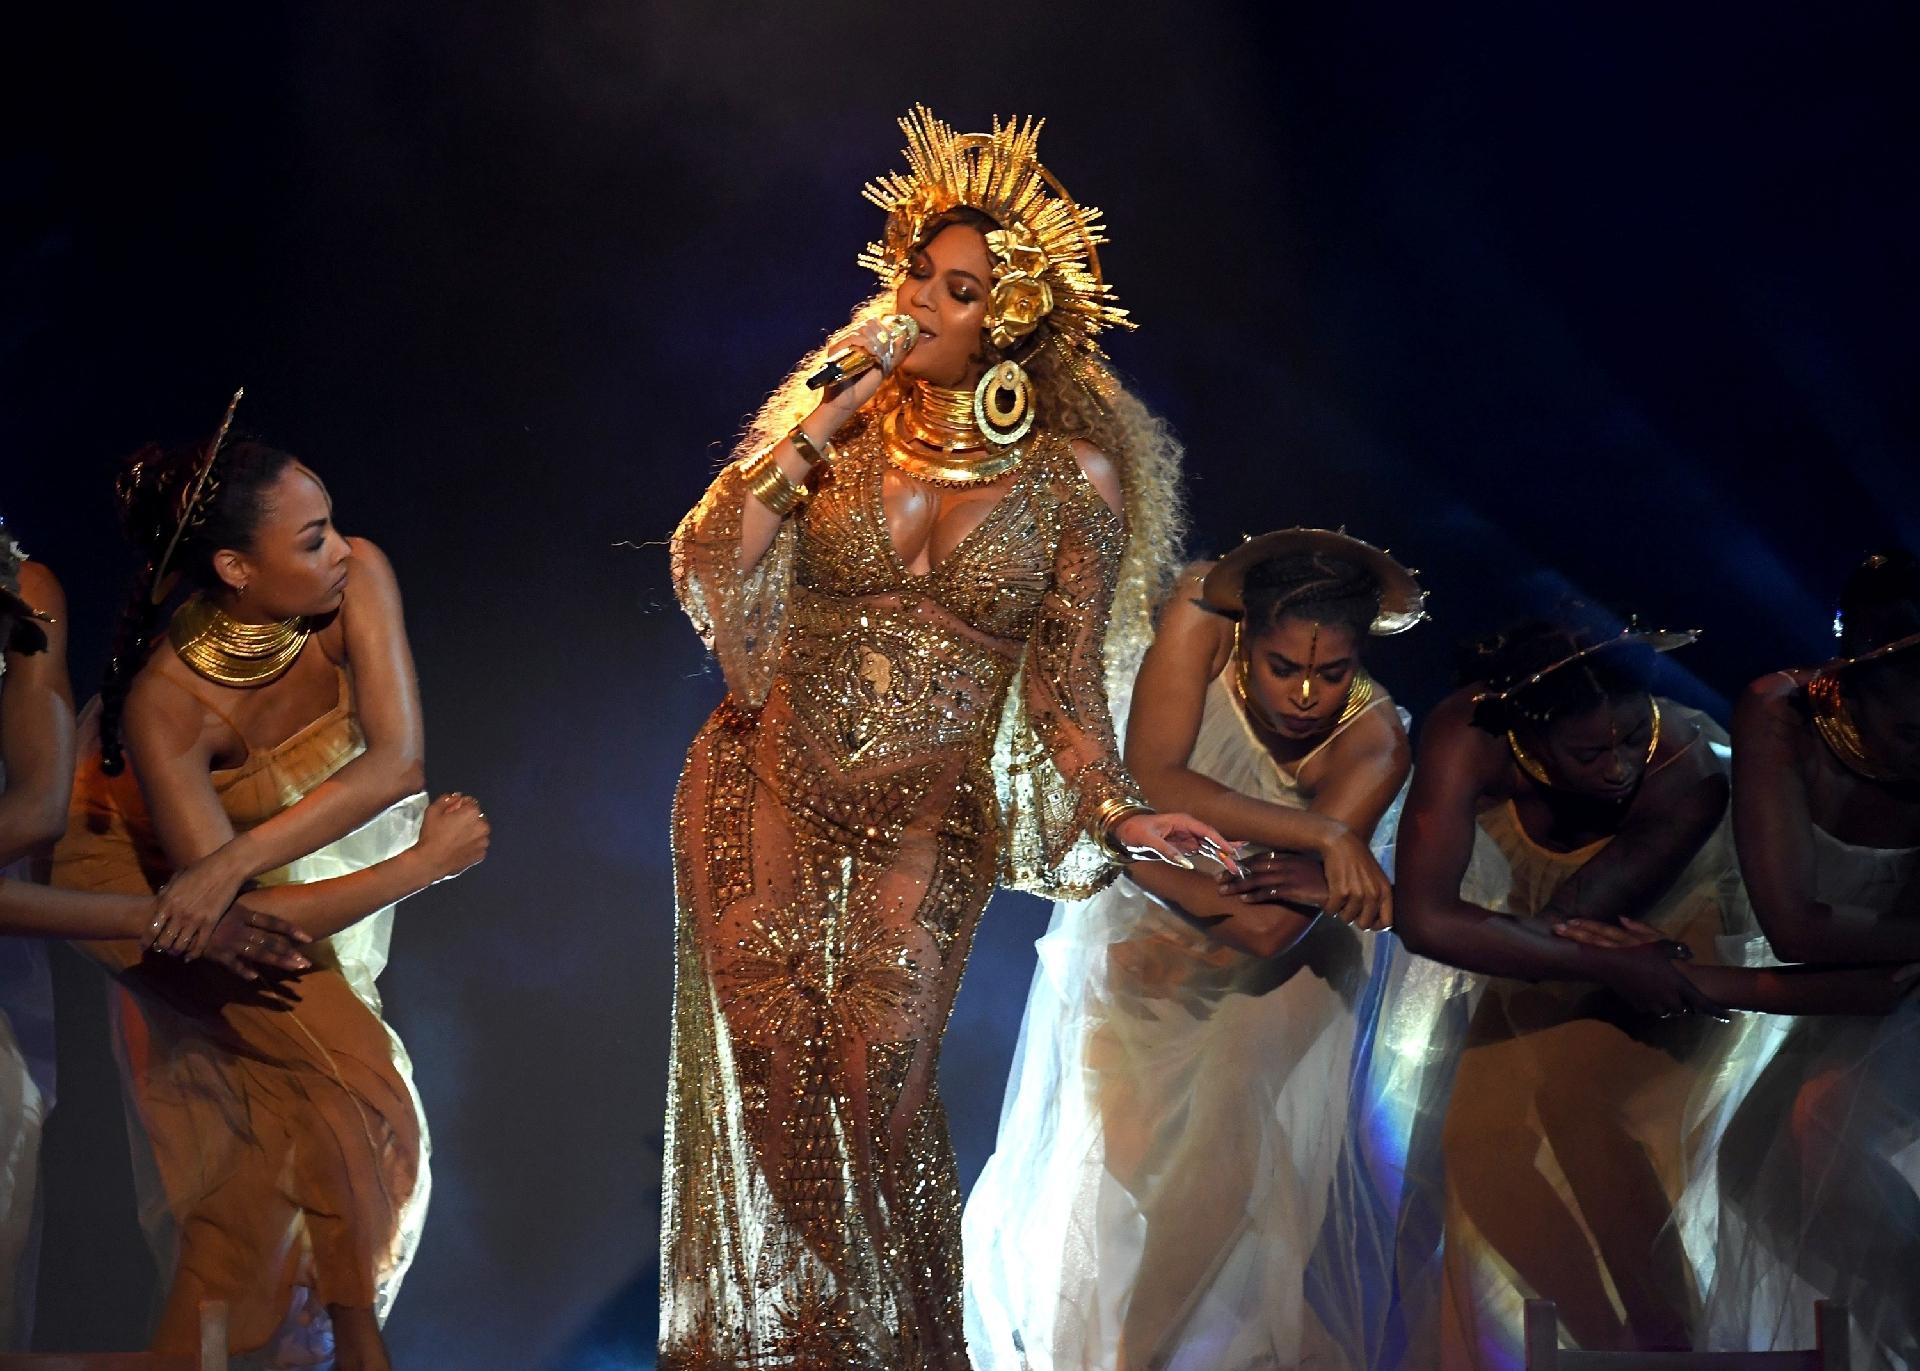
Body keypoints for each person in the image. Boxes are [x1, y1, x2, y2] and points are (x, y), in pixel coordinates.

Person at [660, 106, 1231, 1368]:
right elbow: (708, 559)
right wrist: (828, 398)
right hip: (760, 784)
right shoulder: (842, 427)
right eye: (915, 272)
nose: (920, 301)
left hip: (924, 826)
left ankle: (906, 1344)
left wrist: (1126, 812)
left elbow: (1064, 693)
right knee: (775, 1088)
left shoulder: (1072, 480)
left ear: (1012, 320)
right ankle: (815, 1346)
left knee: (874, 1102)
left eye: (957, 288)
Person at [51, 400, 489, 1371]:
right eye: (312, 537)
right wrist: (419, 867)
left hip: (228, 870)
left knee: (303, 1109)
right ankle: (334, 1345)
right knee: (349, 1089)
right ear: (237, 570)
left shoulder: (356, 576)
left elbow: (397, 764)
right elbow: (237, 930)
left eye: (330, 520)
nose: (341, 548)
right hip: (128, 870)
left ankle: (319, 1345)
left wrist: (232, 862)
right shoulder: (169, 703)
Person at [1393, 611, 1911, 1369]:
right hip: (1562, 939)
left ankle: (1670, 1341)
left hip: (1674, 923)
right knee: (1477, 1142)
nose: (1620, 763)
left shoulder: (1686, 769)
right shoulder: (1469, 729)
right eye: (1590, 750)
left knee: (1581, 1105)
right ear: (1528, 739)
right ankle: (1609, 1349)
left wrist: (1652, 968)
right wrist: (1570, 951)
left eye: (1633, 733)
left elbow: (1582, 922)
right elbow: (1425, 918)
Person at [965, 529, 1425, 1370]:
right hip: (1144, 942)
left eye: (1334, 672)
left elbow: (1268, 928)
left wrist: (1131, 853)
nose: (1308, 693)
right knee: (1131, 1173)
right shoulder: (1199, 611)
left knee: (1212, 1181)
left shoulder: (1376, 743)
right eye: (1284, 666)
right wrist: (1319, 834)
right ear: (1247, 635)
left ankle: (1132, 1361)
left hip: (1280, 980)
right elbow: (1152, 777)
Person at [0, 516, 306, 1349]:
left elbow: (36, 811)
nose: (341, 557)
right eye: (314, 540)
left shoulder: (25, 593)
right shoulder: (154, 714)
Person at [1685, 550, 1920, 1366]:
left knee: (1824, 1119)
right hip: (1858, 988)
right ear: (1852, 677)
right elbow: (1797, 927)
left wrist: (1698, 979)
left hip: (1891, 995)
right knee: (1753, 1168)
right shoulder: (1782, 714)